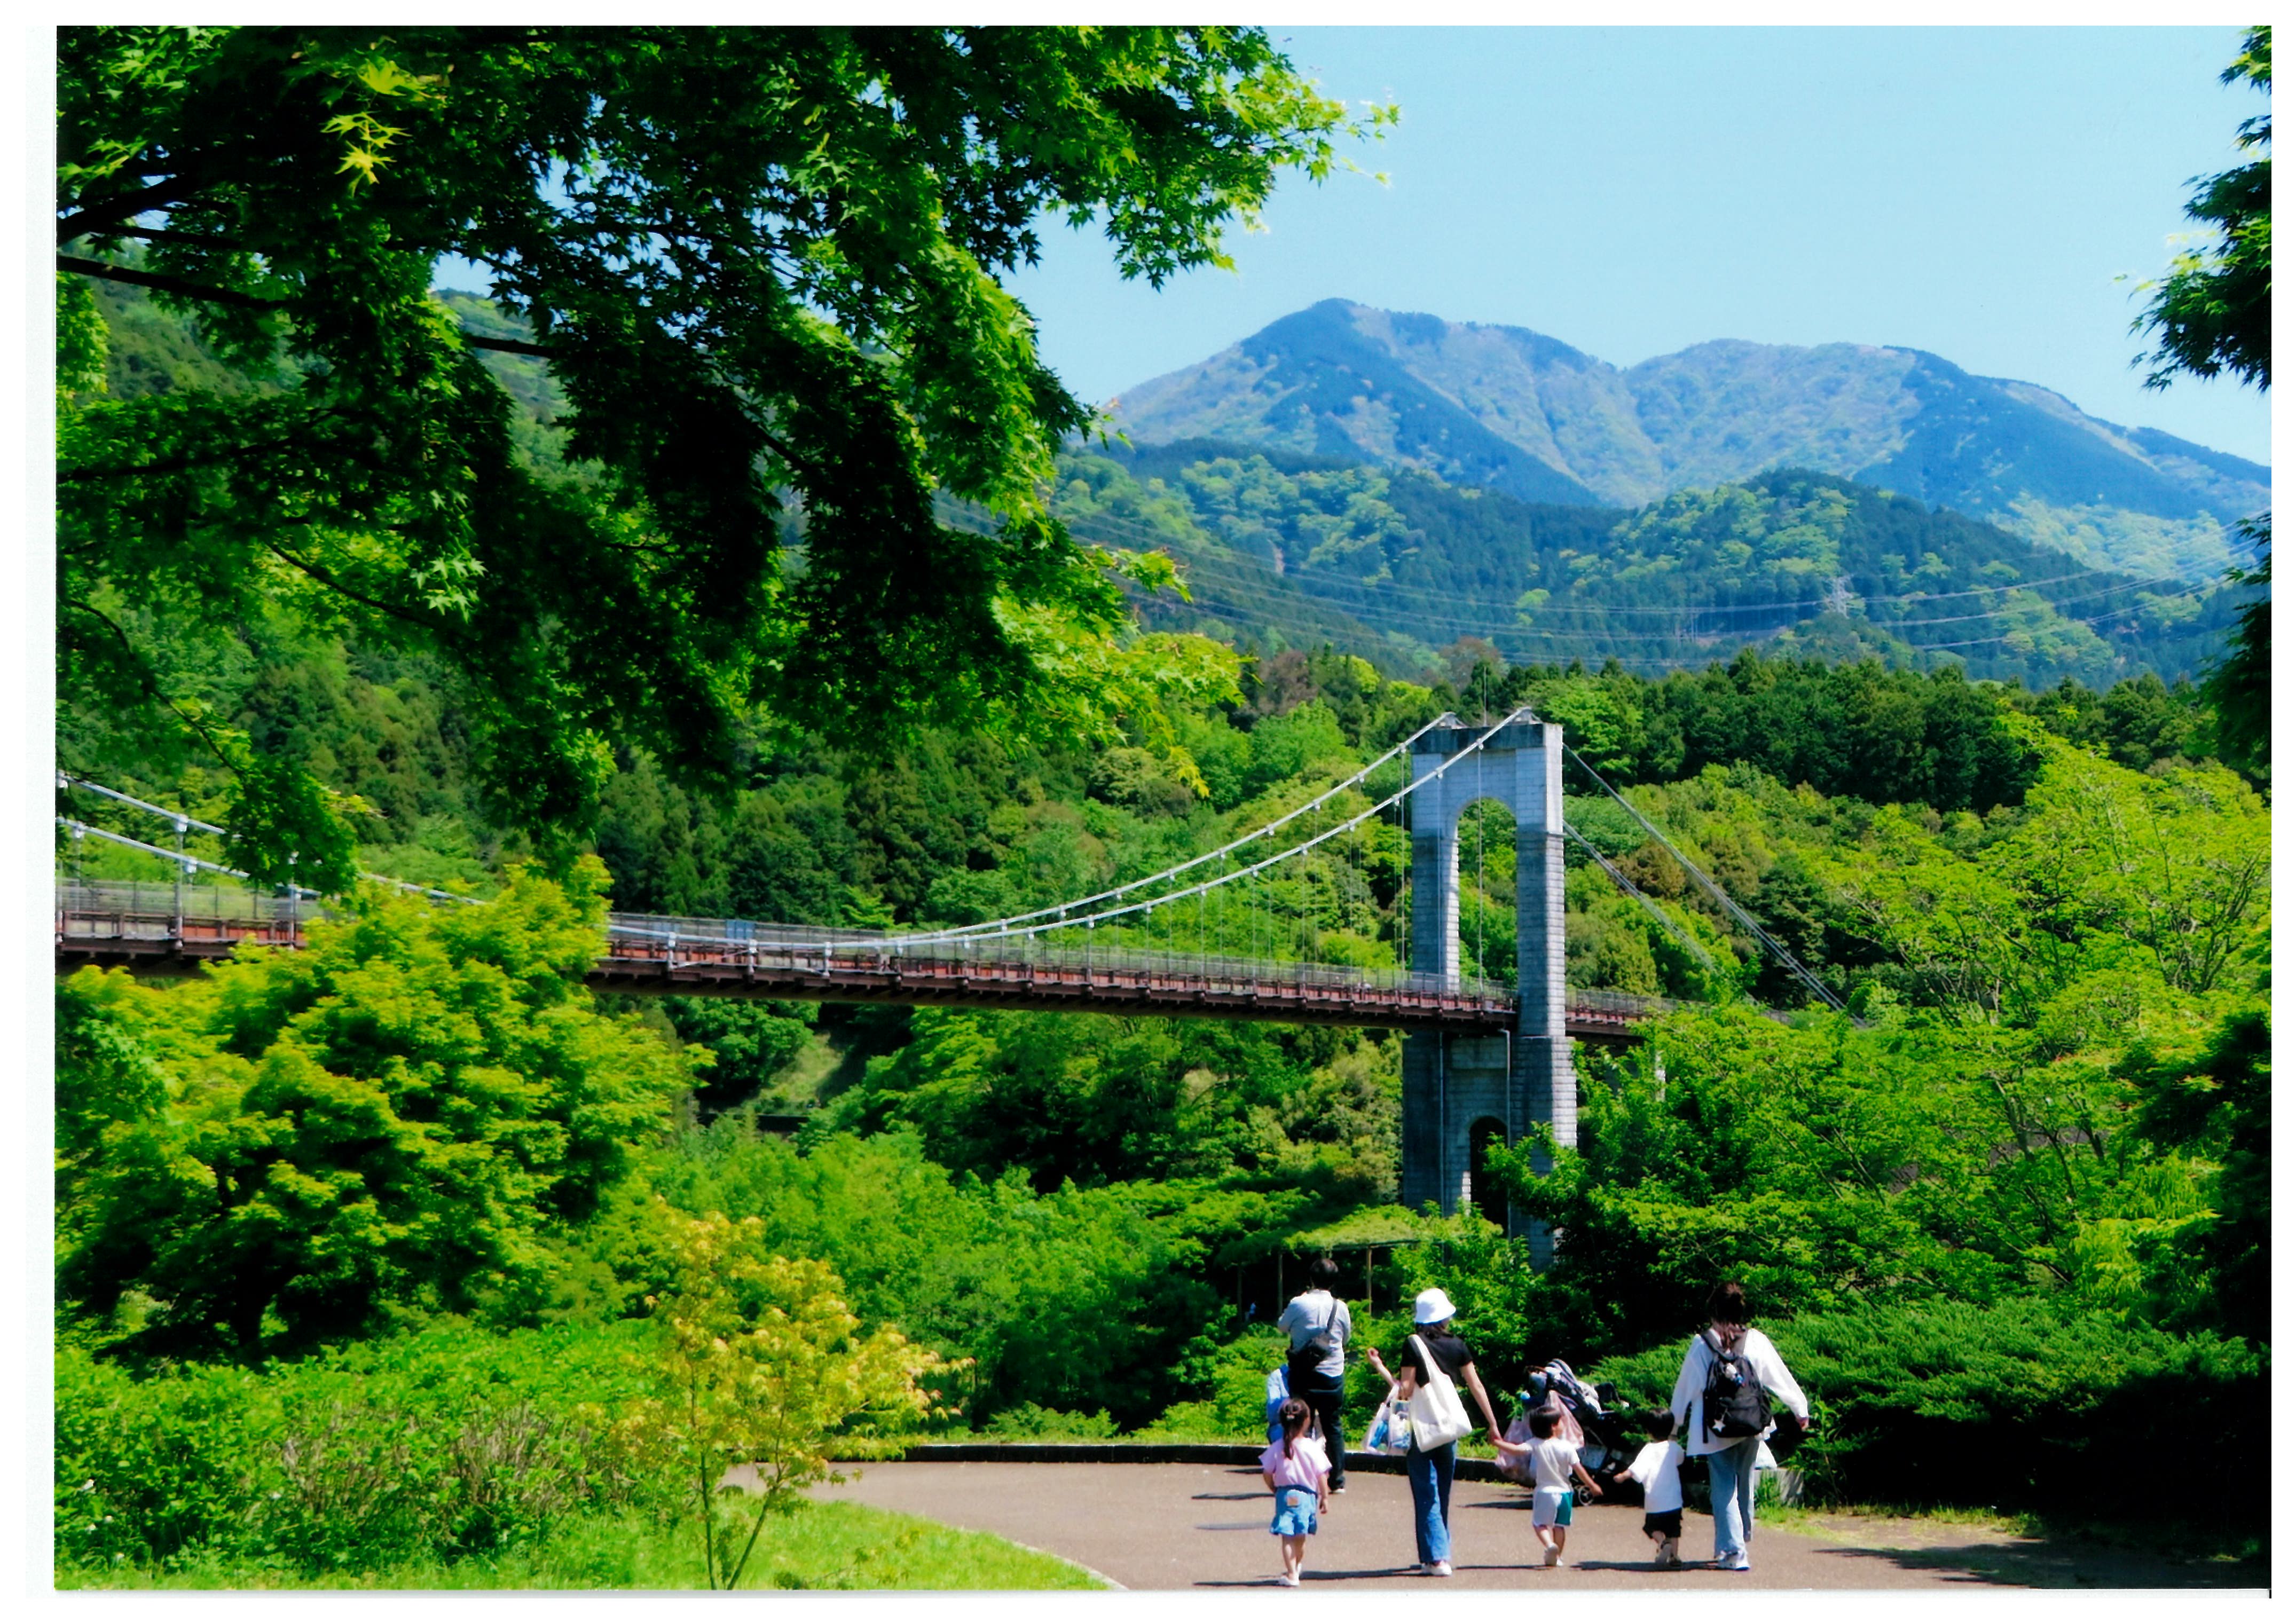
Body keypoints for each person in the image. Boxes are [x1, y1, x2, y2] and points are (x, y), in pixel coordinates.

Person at [1668, 1280, 1812, 1573]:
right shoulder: (1755, 1340)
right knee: (1744, 1485)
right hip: (1752, 1423)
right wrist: (1800, 1408)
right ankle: (1738, 1539)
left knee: (1723, 1490)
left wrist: (1674, 1425)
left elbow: (1685, 1389)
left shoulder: (1702, 1345)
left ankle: (1734, 1551)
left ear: (1713, 1310)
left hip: (1716, 1429)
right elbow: (1777, 1375)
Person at [1363, 1287, 1506, 1578]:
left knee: (1426, 1493)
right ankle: (1438, 1552)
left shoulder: (1413, 1344)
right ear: (1444, 1317)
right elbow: (1476, 1386)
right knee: (1442, 1491)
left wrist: (1380, 1369)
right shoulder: (1458, 1345)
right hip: (1449, 1427)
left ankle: (1437, 1558)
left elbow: (1404, 1390)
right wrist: (1492, 1423)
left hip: (1422, 1430)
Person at [1276, 1257, 1354, 1491]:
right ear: (1334, 1281)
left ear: (1311, 1279)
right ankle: (1337, 1480)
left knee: (1300, 1425)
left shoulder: (1299, 1303)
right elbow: (1346, 1337)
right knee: (1333, 1426)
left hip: (1304, 1373)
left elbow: (1282, 1326)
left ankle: (1301, 1476)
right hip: (1332, 1374)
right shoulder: (1341, 1307)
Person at [1495, 1407, 1601, 1568]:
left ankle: (1549, 1545)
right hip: (1565, 1492)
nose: (1563, 1424)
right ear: (1553, 1426)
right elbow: (1579, 1471)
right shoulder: (1567, 1447)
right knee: (1560, 1526)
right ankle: (1557, 1556)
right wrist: (1592, 1486)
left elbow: (1516, 1451)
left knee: (1540, 1524)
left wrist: (1497, 1442)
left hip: (1544, 1492)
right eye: (1561, 1422)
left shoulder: (1535, 1443)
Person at [1259, 1397, 1330, 1588]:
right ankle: (1297, 1567)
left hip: (1285, 1494)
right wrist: (1325, 1496)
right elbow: (1321, 1475)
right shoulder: (1312, 1448)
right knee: (1301, 1535)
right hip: (1307, 1496)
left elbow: (1266, 1473)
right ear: (1307, 1421)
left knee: (1287, 1535)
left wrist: (1274, 1488)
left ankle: (1291, 1574)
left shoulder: (1277, 1447)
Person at [1620, 1409, 1687, 1567]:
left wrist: (1623, 1475)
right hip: (1674, 1500)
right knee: (1673, 1530)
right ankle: (1675, 1557)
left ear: (1649, 1431)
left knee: (1651, 1528)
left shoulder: (1649, 1449)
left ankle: (1662, 1542)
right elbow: (1681, 1459)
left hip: (1655, 1500)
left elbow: (1637, 1469)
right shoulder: (1674, 1447)